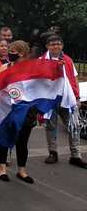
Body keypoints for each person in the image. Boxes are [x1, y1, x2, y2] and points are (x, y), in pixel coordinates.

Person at [40, 35, 87, 168]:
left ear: (62, 45)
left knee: (74, 126)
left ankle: (76, 155)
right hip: (50, 100)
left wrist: (77, 97)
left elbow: (74, 79)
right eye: (52, 44)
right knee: (51, 127)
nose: (56, 46)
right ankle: (53, 152)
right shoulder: (42, 61)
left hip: (67, 98)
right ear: (47, 46)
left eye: (58, 44)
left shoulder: (67, 60)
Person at [0, 41, 38, 184]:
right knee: (3, 138)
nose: (10, 52)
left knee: (22, 141)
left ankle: (22, 171)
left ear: (23, 53)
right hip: (7, 109)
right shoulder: (4, 67)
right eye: (10, 50)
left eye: (14, 51)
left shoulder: (31, 69)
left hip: (26, 110)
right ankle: (2, 169)